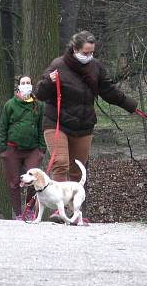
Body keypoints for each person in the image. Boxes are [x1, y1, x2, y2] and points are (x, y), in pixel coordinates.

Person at [35, 30, 138, 222]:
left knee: (78, 170)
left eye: (92, 53)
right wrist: (49, 82)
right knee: (61, 163)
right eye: (86, 52)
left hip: (83, 125)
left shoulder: (95, 67)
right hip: (57, 122)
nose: (88, 56)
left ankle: (76, 213)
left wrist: (131, 106)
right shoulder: (58, 65)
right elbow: (40, 94)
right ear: (75, 49)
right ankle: (59, 211)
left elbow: (109, 91)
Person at [0, 76, 46, 220]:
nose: (26, 85)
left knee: (33, 179)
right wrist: (3, 149)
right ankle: (18, 213)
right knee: (13, 182)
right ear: (18, 86)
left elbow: (41, 127)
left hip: (32, 150)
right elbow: (3, 127)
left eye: (28, 83)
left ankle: (30, 209)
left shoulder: (39, 105)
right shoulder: (10, 105)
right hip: (12, 149)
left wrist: (41, 149)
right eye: (23, 83)